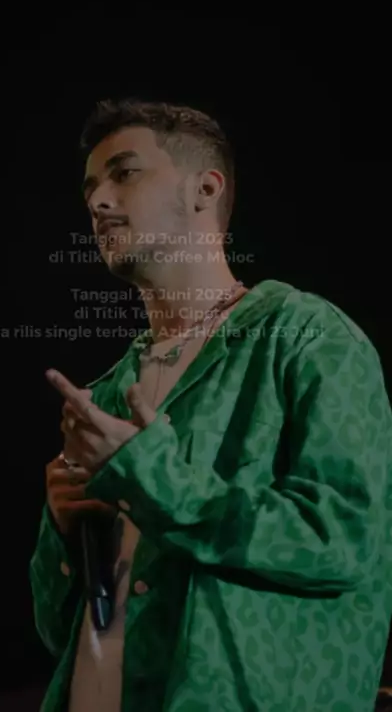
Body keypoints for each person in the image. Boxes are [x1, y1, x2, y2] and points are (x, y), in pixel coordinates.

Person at [30, 98, 392, 712]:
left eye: (124, 173)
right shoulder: (108, 392)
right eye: (90, 189)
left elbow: (344, 540)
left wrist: (150, 477)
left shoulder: (307, 337)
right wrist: (62, 533)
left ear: (204, 188)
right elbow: (57, 631)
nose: (98, 201)